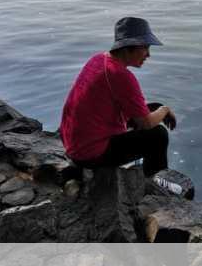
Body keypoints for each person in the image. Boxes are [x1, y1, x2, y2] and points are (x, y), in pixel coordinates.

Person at [60, 17, 182, 194]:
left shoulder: (99, 59)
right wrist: (165, 110)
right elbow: (146, 123)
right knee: (158, 135)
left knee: (152, 107)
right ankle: (155, 185)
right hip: (89, 153)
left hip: (73, 142)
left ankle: (144, 173)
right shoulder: (121, 76)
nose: (148, 55)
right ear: (128, 47)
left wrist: (157, 109)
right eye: (145, 48)